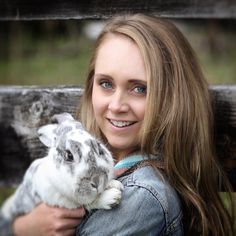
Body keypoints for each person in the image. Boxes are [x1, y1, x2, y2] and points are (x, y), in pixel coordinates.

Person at [1, 14, 235, 236]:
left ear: (173, 98)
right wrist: (21, 226)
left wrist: (20, 230)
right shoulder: (95, 162)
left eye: (139, 88)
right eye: (106, 83)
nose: (116, 105)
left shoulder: (140, 198)